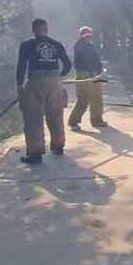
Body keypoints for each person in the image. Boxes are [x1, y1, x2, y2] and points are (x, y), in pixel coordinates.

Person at [16, 18, 72, 164]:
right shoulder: (56, 44)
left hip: (36, 82)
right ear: (46, 29)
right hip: (55, 83)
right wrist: (58, 77)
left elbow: (21, 66)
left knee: (34, 117)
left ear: (33, 30)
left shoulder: (27, 45)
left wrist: (19, 85)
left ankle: (35, 154)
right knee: (56, 115)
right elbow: (67, 64)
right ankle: (58, 146)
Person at [68, 26, 107, 130]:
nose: (89, 35)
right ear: (81, 35)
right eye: (86, 33)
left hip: (95, 74)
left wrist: (100, 71)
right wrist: (82, 38)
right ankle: (73, 121)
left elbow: (96, 59)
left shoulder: (91, 46)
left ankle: (97, 120)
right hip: (84, 74)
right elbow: (82, 59)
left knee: (97, 98)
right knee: (83, 99)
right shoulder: (79, 45)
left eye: (90, 33)